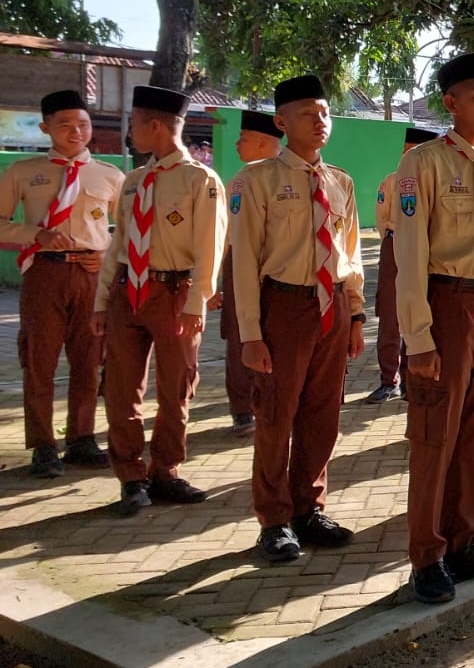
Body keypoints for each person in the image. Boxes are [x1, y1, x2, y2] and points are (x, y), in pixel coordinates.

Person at [393, 52, 474, 604]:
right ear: (451, 103)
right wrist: (418, 337)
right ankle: (426, 556)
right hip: (446, 305)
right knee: (435, 436)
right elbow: (409, 253)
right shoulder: (422, 163)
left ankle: (464, 542)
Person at [229, 75, 366, 562]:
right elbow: (244, 260)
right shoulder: (256, 180)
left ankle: (309, 507)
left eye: (325, 112)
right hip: (282, 307)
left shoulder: (341, 182)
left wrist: (355, 315)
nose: (320, 121)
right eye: (309, 113)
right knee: (275, 414)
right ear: (281, 122)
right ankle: (274, 519)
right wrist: (250, 334)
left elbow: (350, 255)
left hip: (330, 308)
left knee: (322, 412)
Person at [93, 86, 226, 516]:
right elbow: (118, 246)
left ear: (154, 126)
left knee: (175, 389)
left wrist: (197, 303)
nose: (130, 132)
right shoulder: (133, 182)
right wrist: (101, 302)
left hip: (174, 294)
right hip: (126, 294)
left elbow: (211, 246)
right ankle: (130, 477)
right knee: (121, 389)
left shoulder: (199, 180)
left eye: (133, 124)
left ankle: (165, 470)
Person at [1, 90, 123, 478]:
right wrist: (34, 234)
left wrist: (105, 254)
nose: (76, 131)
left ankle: (82, 438)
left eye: (83, 124)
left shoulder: (109, 174)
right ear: (45, 127)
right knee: (40, 360)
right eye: (65, 124)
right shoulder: (22, 172)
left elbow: (126, 230)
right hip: (44, 273)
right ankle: (42, 445)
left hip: (91, 275)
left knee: (89, 360)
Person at [217, 110, 283, 436]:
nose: (237, 144)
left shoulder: (291, 175)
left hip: (278, 271)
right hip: (242, 265)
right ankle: (242, 408)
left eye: (242, 139)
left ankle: (268, 402)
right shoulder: (240, 181)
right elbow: (225, 236)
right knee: (240, 334)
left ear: (262, 142)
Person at [368, 127, 438, 404]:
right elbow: (382, 218)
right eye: (405, 150)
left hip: (431, 251)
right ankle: (389, 380)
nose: (407, 156)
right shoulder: (391, 182)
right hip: (395, 247)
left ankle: (415, 380)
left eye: (415, 151)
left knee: (424, 312)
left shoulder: (438, 182)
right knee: (390, 314)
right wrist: (396, 245)